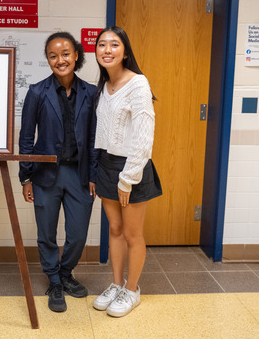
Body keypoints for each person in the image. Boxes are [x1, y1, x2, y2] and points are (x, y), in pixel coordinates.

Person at [19, 32, 98, 312]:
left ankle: (66, 273)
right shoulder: (37, 92)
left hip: (79, 175)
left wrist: (94, 175)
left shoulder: (91, 92)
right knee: (47, 234)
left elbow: (94, 138)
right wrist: (26, 177)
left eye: (65, 54)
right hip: (45, 176)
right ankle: (53, 280)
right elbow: (27, 137)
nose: (60, 60)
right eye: (53, 56)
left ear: (76, 55)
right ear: (48, 60)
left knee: (77, 235)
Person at [92, 26, 162, 317]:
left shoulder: (138, 84)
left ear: (125, 51)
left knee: (133, 234)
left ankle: (132, 289)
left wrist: (128, 178)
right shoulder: (104, 86)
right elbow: (102, 133)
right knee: (115, 230)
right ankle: (116, 283)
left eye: (114, 45)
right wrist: (97, 172)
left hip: (132, 168)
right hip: (106, 166)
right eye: (101, 45)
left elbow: (145, 137)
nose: (107, 50)